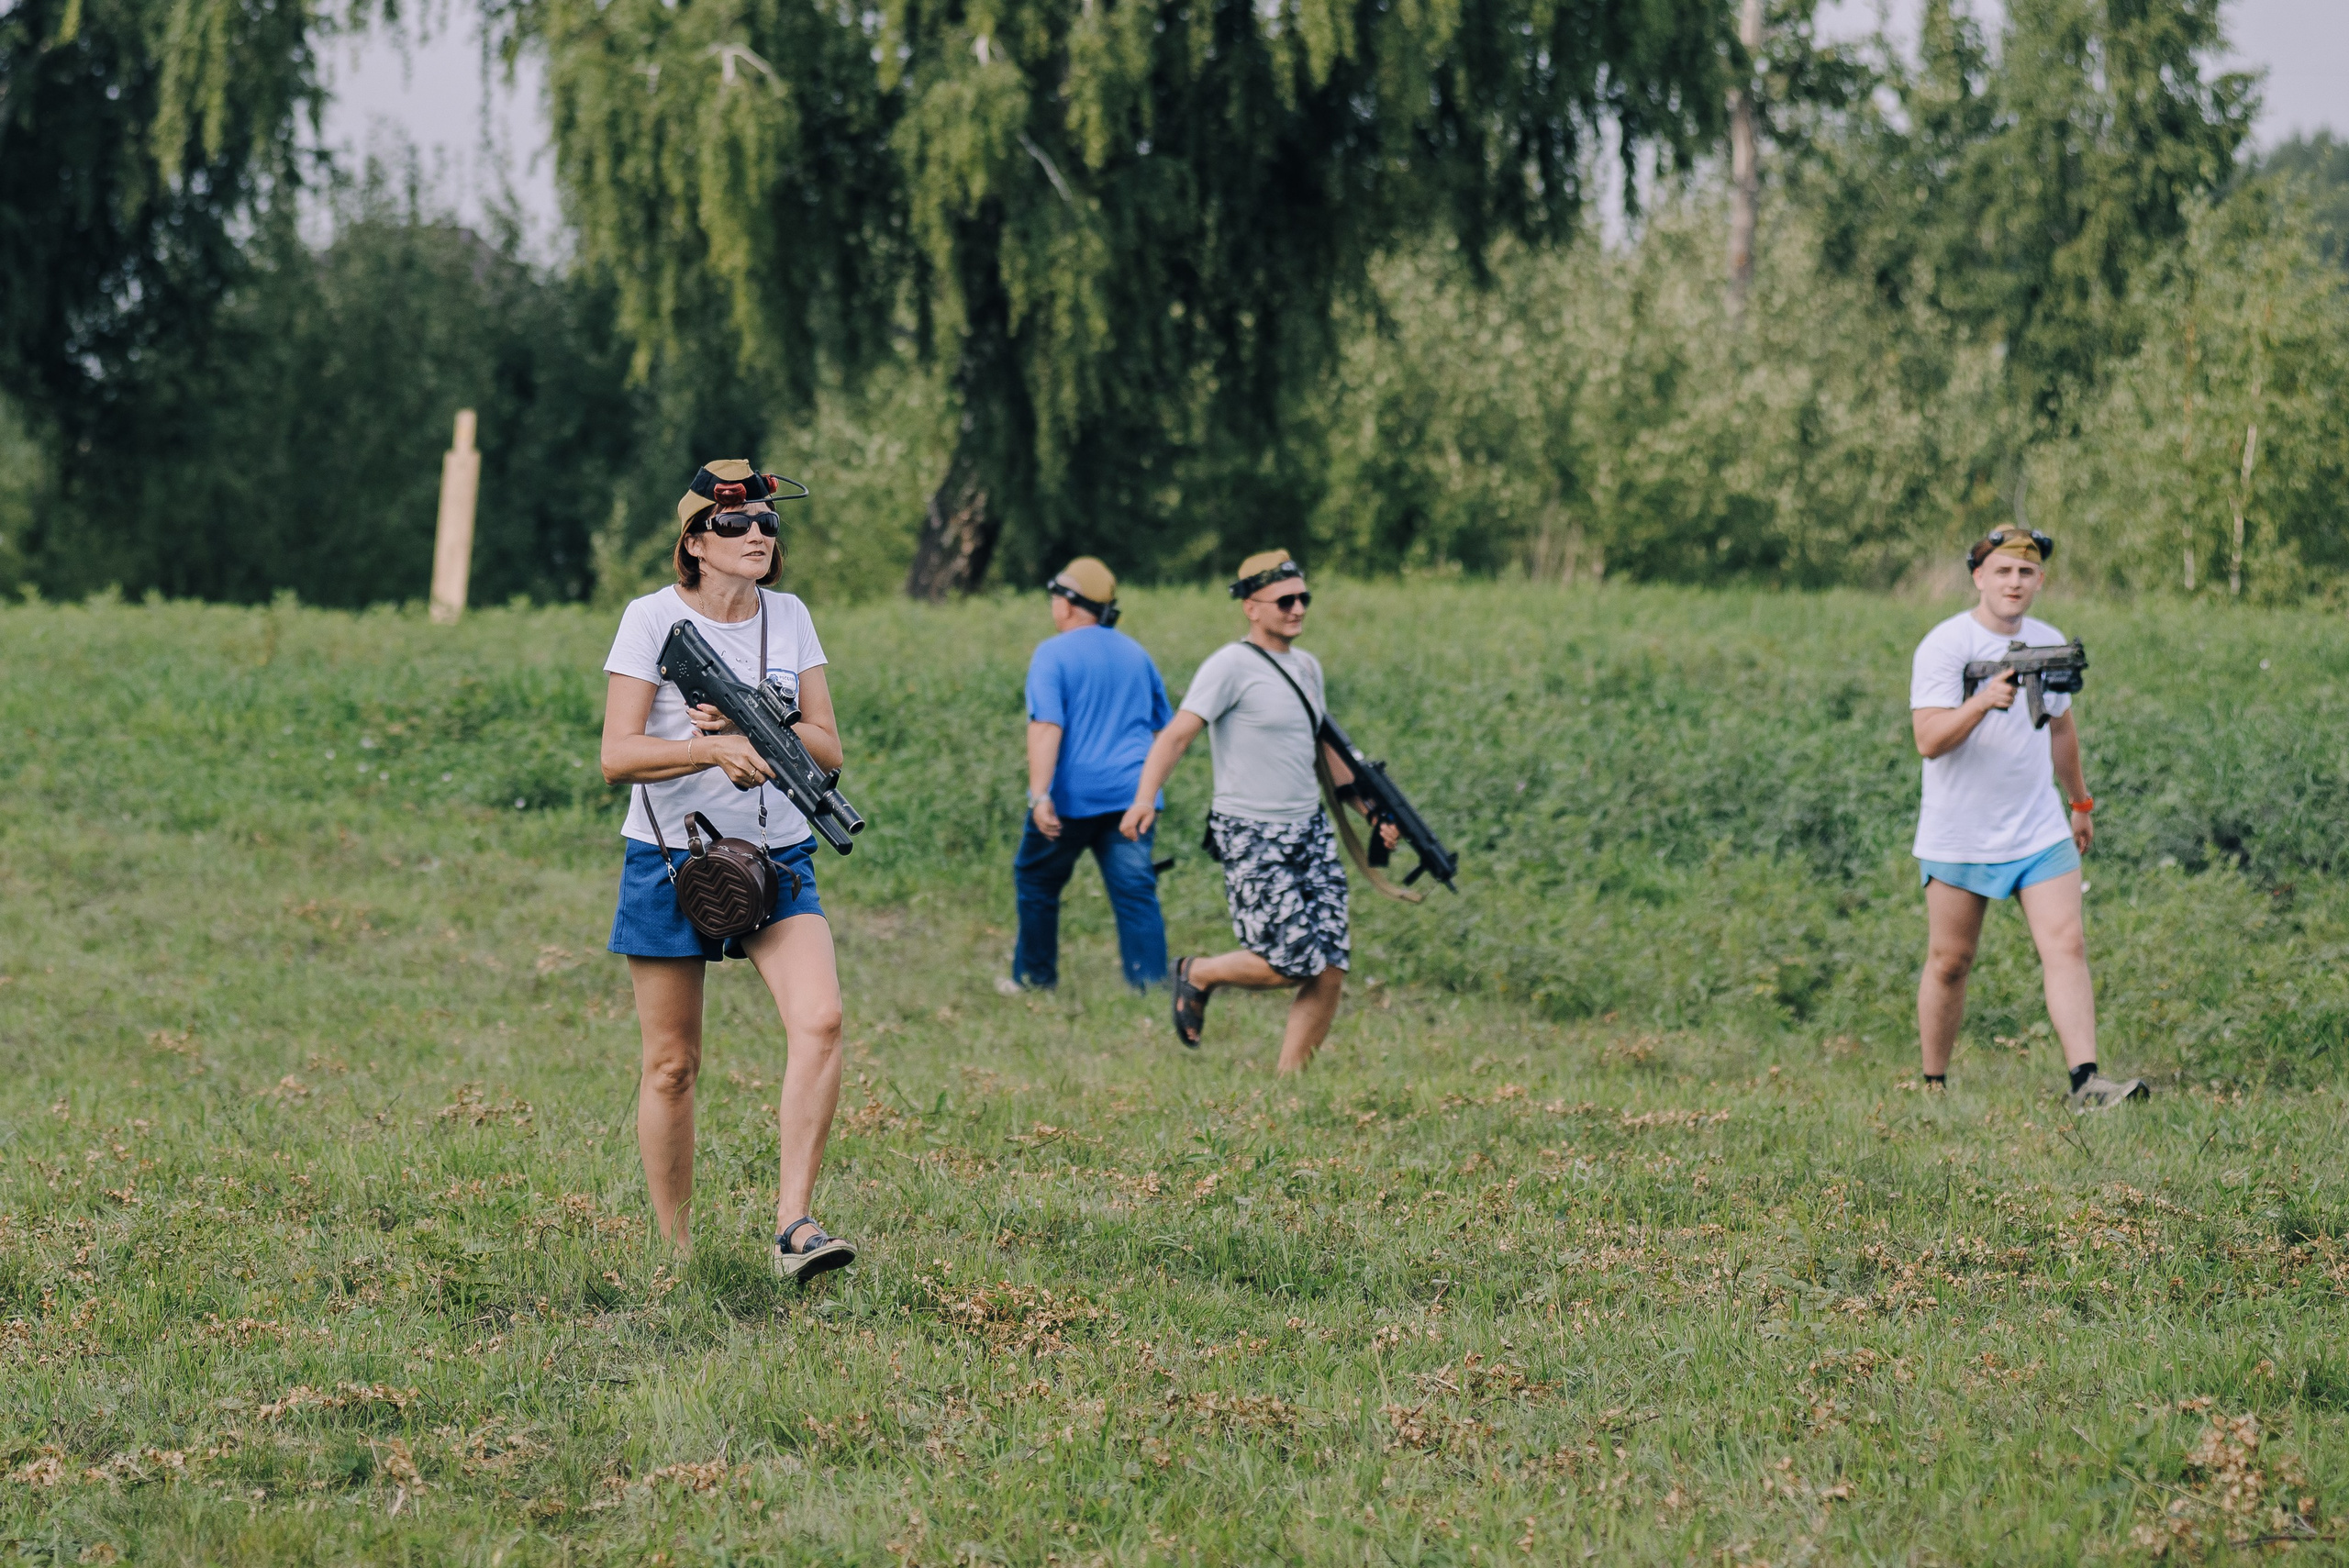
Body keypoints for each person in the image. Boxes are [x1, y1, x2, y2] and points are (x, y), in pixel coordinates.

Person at [599, 460, 856, 1281]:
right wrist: (710, 746)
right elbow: (617, 755)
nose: (757, 536)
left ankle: (794, 1226)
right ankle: (674, 1253)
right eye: (736, 524)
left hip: (777, 854)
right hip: (674, 859)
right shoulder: (649, 620)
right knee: (672, 1064)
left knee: (820, 1020)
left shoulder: (790, 620)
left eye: (768, 525)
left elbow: (828, 747)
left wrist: (764, 719)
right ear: (695, 543)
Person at [1120, 550, 1397, 1073]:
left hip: (1309, 829)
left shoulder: (1308, 668)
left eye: (1303, 599)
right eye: (1285, 600)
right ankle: (1198, 972)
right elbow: (1178, 734)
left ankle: (1290, 1084)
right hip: (1250, 831)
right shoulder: (1229, 666)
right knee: (1291, 961)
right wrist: (1143, 798)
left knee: (1331, 965)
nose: (1298, 609)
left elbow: (1322, 749)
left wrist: (1367, 808)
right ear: (1251, 606)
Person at [1909, 527, 2145, 1111]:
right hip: (1959, 831)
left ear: (2039, 581)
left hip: (2038, 828)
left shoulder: (2047, 641)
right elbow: (1928, 740)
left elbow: (2060, 728)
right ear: (1979, 578)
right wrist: (1983, 701)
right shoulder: (1944, 645)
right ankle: (1934, 1085)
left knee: (2066, 943)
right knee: (1950, 962)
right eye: (2004, 571)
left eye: (2027, 572)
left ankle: (2085, 1083)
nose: (2015, 582)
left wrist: (2081, 802)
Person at [1008, 557, 1174, 992]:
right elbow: (1166, 730)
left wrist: (1040, 795)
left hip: (1069, 800)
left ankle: (1035, 980)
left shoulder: (1052, 653)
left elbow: (1047, 727)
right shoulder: (1136, 653)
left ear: (1068, 603)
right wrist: (1149, 788)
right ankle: (1150, 986)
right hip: (1132, 798)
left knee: (1038, 881)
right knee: (1136, 892)